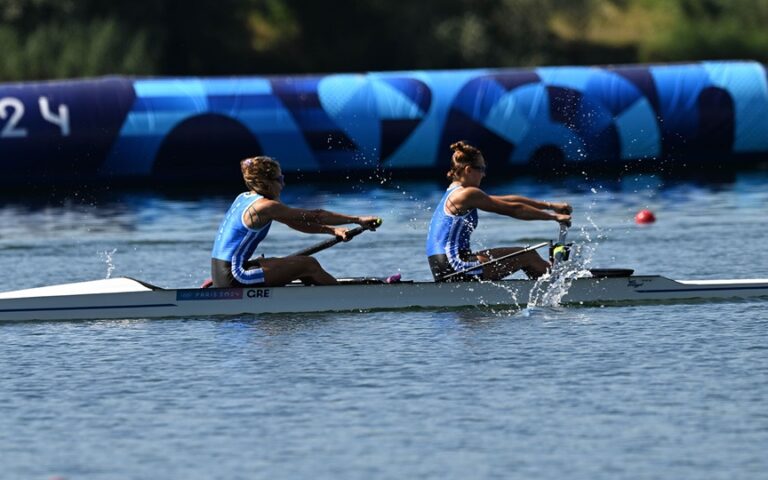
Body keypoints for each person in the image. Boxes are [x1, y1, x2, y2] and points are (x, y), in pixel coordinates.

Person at [211, 156, 380, 287]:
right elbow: (317, 215)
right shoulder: (265, 206)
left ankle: (316, 294)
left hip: (220, 273)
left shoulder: (244, 198)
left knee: (286, 262)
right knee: (309, 264)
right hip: (235, 277)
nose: (283, 183)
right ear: (266, 183)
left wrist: (332, 230)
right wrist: (358, 220)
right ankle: (347, 300)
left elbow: (293, 222)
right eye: (279, 179)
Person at [426, 141, 572, 282]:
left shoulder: (455, 194)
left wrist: (551, 205)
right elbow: (514, 210)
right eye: (481, 169)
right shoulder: (467, 194)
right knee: (528, 256)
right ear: (468, 170)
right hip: (455, 266)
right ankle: (560, 287)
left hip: (443, 266)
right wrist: (554, 217)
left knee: (528, 256)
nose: (484, 174)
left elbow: (509, 200)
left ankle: (551, 281)